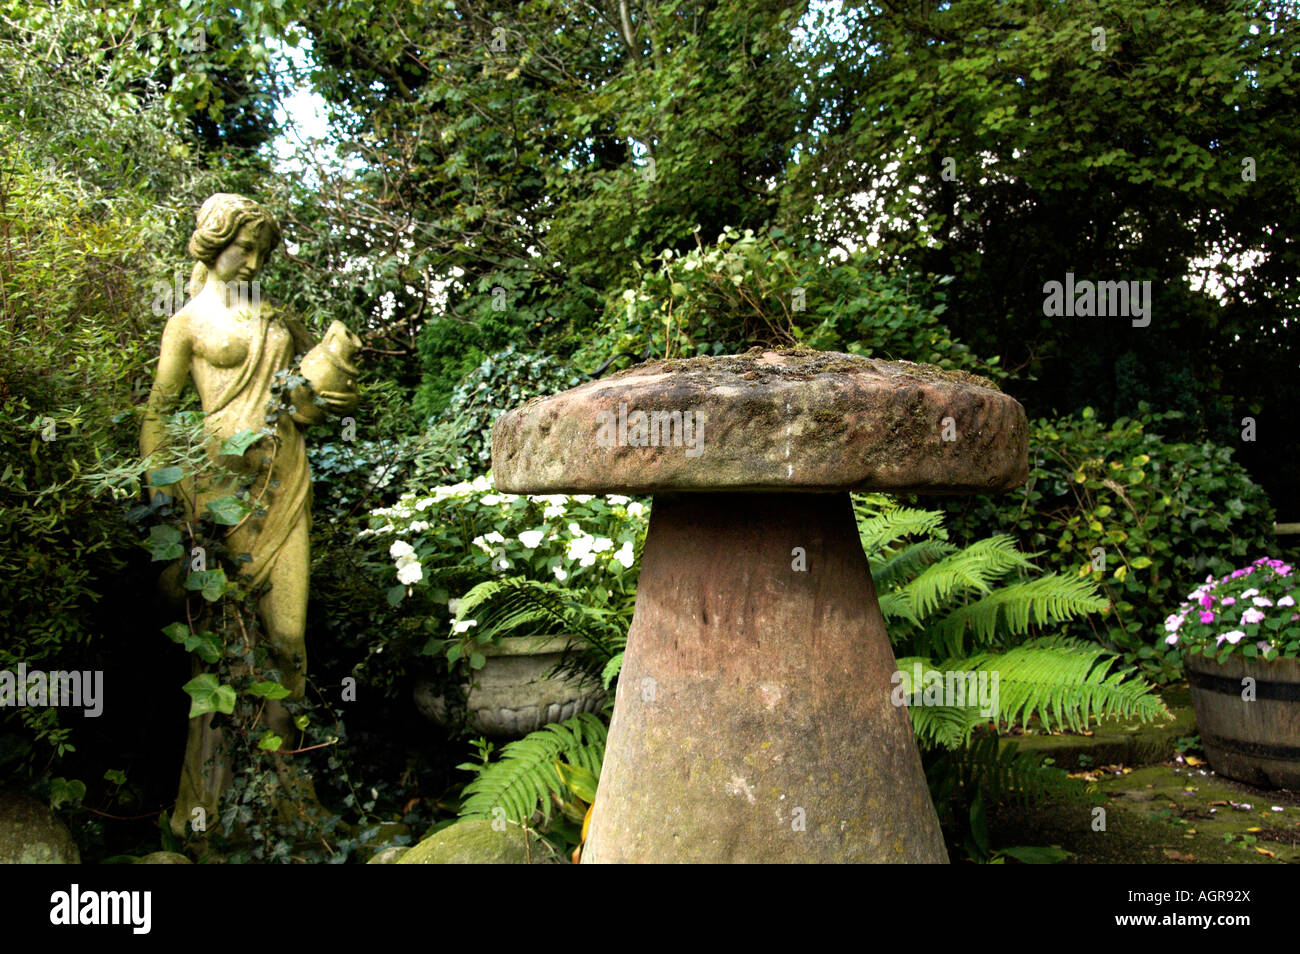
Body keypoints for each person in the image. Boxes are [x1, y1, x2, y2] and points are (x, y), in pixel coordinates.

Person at [140, 193, 359, 836]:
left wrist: (318, 393)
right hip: (220, 501)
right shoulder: (184, 323)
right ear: (214, 243)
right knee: (221, 656)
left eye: (263, 252)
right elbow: (157, 411)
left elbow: (298, 407)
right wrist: (162, 493)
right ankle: (206, 811)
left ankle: (283, 796)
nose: (255, 261)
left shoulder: (272, 318)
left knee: (288, 641)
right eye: (246, 248)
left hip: (284, 482)